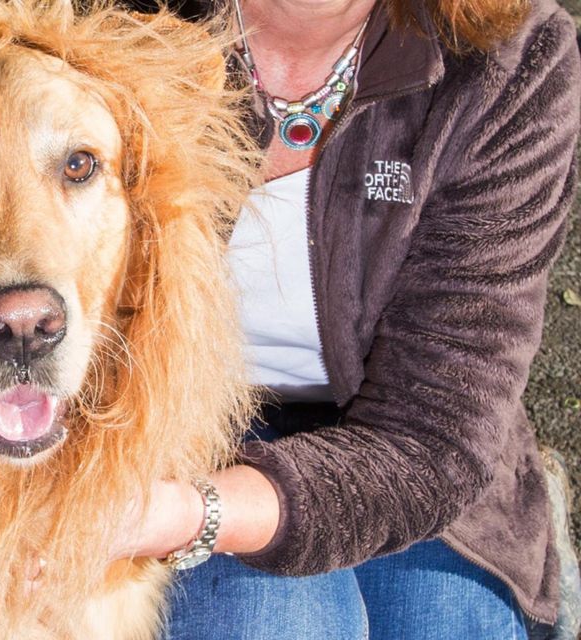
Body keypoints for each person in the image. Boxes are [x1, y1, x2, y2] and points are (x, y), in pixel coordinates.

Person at [111, 0, 581, 637]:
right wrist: (150, 504)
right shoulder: (105, 18)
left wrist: (195, 515)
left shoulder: (516, 58)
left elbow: (434, 433)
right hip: (164, 430)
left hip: (407, 442)